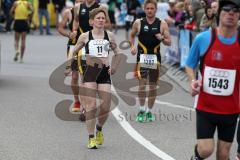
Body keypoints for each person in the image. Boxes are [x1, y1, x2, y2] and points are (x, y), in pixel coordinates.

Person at [185, 0, 240, 159]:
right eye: (227, 9)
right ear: (219, 12)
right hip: (206, 106)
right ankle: (196, 156)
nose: (231, 13)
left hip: (231, 108)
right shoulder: (204, 38)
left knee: (223, 155)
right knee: (206, 150)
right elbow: (189, 64)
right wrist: (192, 81)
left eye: (235, 10)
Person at [72, 7, 120, 149]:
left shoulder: (110, 36)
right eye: (98, 18)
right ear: (91, 21)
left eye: (103, 18)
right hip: (89, 72)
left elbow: (117, 53)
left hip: (104, 72)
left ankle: (99, 128)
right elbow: (74, 52)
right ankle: (91, 137)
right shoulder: (85, 36)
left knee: (105, 106)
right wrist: (77, 66)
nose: (101, 20)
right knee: (91, 107)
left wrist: (115, 67)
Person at [130, 0, 171, 122]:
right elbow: (132, 35)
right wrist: (132, 46)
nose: (149, 10)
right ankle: (142, 110)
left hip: (155, 59)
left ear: (156, 9)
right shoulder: (138, 22)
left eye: (152, 8)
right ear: (144, 9)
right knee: (142, 86)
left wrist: (162, 38)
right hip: (142, 58)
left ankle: (149, 111)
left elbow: (169, 42)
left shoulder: (162, 23)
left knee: (152, 87)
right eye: (147, 8)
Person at [58, 0, 85, 114]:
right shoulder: (68, 12)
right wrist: (69, 34)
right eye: (78, 0)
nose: (80, 2)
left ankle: (85, 103)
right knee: (74, 76)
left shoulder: (91, 12)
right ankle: (77, 100)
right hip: (73, 46)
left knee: (85, 76)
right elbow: (60, 28)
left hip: (86, 45)